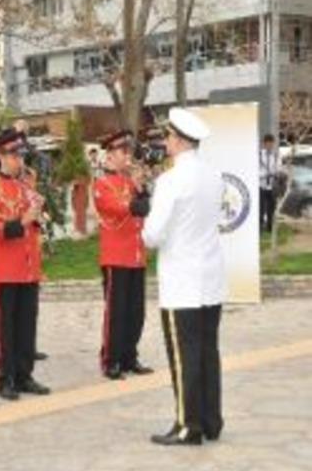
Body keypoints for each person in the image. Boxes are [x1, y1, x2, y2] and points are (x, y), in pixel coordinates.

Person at [143, 108, 225, 446]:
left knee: (184, 355)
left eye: (167, 137)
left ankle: (187, 425)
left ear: (178, 141)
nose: (165, 142)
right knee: (207, 351)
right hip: (209, 278)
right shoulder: (213, 175)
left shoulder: (170, 180)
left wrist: (146, 229)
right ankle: (210, 420)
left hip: (182, 281)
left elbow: (152, 235)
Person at [0, 129, 51, 401]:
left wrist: (38, 214)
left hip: (28, 267)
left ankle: (25, 375)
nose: (19, 160)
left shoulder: (25, 185)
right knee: (6, 328)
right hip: (5, 269)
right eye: (13, 155)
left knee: (27, 324)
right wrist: (22, 221)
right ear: (0, 156)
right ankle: (5, 379)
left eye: (21, 154)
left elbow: (36, 223)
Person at [92, 130, 153, 380]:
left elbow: (145, 206)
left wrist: (141, 187)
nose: (128, 156)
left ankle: (130, 356)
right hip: (115, 257)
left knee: (136, 311)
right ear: (110, 155)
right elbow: (122, 208)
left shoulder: (130, 182)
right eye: (122, 152)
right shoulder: (102, 185)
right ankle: (111, 360)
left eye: (128, 151)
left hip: (136, 255)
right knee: (116, 312)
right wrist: (137, 198)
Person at [259, 134, 280, 233]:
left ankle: (270, 228)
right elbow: (255, 170)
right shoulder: (259, 155)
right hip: (261, 185)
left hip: (272, 186)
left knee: (271, 209)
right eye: (267, 143)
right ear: (263, 144)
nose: (269, 145)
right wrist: (264, 174)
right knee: (261, 208)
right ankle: (260, 228)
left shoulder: (276, 155)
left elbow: (278, 169)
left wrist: (275, 173)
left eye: (271, 143)